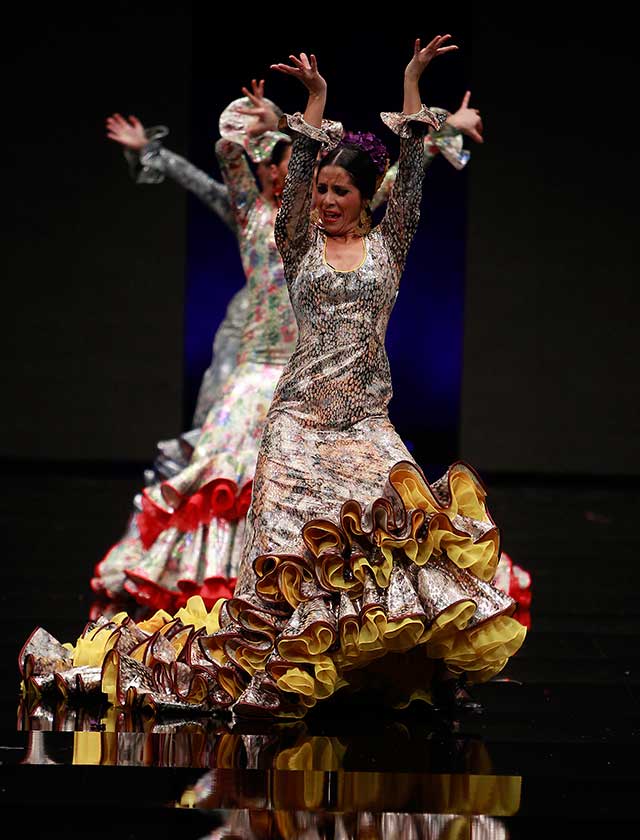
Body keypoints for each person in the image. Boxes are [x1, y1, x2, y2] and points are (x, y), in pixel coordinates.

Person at [20, 33, 526, 719]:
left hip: (364, 422)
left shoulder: (389, 243)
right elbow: (277, 178)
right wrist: (313, 104)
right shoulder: (296, 241)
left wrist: (413, 84)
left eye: (339, 191)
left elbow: (410, 171)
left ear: (365, 198)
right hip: (297, 422)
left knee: (407, 538)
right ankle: (282, 663)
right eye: (319, 189)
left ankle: (434, 673)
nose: (325, 200)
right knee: (287, 560)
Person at [93, 82, 489, 613]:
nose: (275, 175)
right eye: (270, 166)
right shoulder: (271, 223)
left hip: (348, 393)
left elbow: (401, 181)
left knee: (371, 509)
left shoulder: (355, 234)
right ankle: (233, 591)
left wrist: (441, 129)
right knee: (236, 481)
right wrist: (182, 143)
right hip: (269, 377)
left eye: (283, 165)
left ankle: (357, 610)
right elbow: (222, 162)